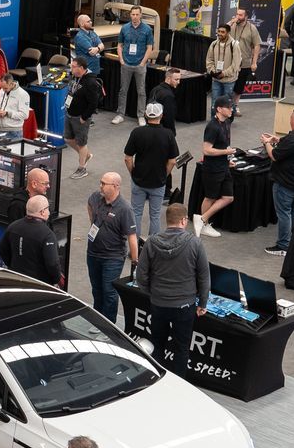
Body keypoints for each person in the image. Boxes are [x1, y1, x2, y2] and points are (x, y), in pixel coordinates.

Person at [139, 202, 209, 376]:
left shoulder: (152, 242)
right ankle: (179, 384)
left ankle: (156, 378)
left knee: (157, 343)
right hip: (185, 306)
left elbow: (141, 275)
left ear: (167, 220)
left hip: (159, 303)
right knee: (182, 348)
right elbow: (204, 276)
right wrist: (203, 302)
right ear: (184, 221)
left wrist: (152, 292)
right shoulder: (195, 243)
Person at [261, 103, 294, 257]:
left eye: (291, 119)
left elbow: (274, 155)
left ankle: (284, 245)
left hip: (286, 182)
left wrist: (267, 143)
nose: (290, 122)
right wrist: (278, 140)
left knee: (284, 213)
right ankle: (293, 239)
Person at [85, 172, 137, 324]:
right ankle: (97, 320)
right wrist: (92, 221)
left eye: (104, 183)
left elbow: (132, 236)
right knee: (96, 288)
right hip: (93, 253)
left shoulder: (125, 209)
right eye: (100, 182)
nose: (100, 185)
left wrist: (135, 261)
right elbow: (89, 204)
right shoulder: (96, 197)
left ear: (115, 186)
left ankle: (108, 324)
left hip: (113, 257)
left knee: (109, 291)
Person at [124, 103, 177, 236]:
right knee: (155, 215)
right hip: (158, 181)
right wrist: (165, 175)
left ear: (146, 115)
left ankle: (134, 247)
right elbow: (172, 160)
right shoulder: (168, 134)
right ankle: (153, 247)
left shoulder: (137, 132)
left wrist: (133, 173)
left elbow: (128, 158)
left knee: (136, 213)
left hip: (139, 180)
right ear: (161, 115)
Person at [195, 98, 237, 239]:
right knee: (210, 197)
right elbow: (206, 150)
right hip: (212, 168)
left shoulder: (226, 123)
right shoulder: (212, 127)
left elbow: (221, 146)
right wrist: (226, 153)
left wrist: (227, 160)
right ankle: (204, 225)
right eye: (229, 107)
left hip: (223, 166)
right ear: (219, 109)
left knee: (228, 197)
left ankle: (202, 219)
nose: (232, 110)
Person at [0, 195, 61, 285]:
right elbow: (52, 263)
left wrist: (12, 266)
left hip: (16, 278)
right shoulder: (47, 235)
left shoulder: (13, 226)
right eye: (48, 208)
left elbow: (2, 249)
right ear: (42, 212)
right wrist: (55, 280)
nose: (49, 212)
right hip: (38, 283)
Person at [112, 5, 154, 124]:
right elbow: (119, 45)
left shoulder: (147, 29)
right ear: (130, 15)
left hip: (140, 65)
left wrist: (142, 63)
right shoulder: (124, 28)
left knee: (141, 91)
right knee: (123, 90)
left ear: (141, 15)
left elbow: (149, 48)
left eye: (137, 14)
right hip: (126, 64)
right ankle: (120, 114)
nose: (135, 16)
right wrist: (121, 60)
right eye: (133, 14)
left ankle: (141, 115)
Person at [64, 56, 103, 180]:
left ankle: (82, 168)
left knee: (81, 143)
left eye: (73, 66)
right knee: (68, 139)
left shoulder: (90, 83)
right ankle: (86, 155)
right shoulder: (76, 77)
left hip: (80, 117)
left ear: (81, 68)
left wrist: (84, 117)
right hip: (70, 113)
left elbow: (94, 103)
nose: (71, 68)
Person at [206, 25, 240, 108]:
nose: (220, 33)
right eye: (219, 31)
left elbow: (236, 64)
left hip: (229, 80)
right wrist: (212, 71)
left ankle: (227, 120)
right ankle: (214, 120)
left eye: (223, 32)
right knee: (215, 102)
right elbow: (209, 60)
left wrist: (223, 73)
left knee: (227, 103)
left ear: (228, 33)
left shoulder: (234, 45)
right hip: (216, 79)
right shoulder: (213, 44)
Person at [0, 69, 33, 139]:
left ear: (12, 84)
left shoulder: (23, 94)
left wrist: (7, 113)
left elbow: (25, 115)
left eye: (5, 88)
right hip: (0, 130)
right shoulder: (2, 90)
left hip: (14, 132)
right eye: (2, 88)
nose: (3, 91)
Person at [71, 13, 105, 82]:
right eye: (88, 21)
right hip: (86, 71)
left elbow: (102, 45)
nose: (91, 22)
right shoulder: (80, 37)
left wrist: (97, 48)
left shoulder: (92, 33)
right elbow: (92, 52)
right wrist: (99, 47)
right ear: (82, 24)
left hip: (95, 69)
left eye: (90, 21)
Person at [227, 7, 258, 77]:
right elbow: (222, 32)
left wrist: (254, 63)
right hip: (229, 62)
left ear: (246, 17)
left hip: (244, 64)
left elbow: (257, 45)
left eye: (240, 15)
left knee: (239, 86)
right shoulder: (231, 25)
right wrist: (231, 22)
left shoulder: (252, 28)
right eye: (237, 14)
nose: (237, 17)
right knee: (228, 86)